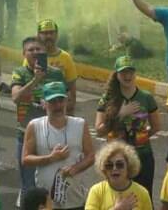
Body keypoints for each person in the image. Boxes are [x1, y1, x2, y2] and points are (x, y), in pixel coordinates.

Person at [22, 81, 95, 210]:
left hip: (75, 200)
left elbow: (90, 156)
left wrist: (75, 168)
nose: (58, 105)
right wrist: (51, 158)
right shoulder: (34, 126)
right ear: (44, 103)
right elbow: (26, 159)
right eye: (52, 101)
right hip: (46, 203)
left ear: (67, 101)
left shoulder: (80, 124)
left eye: (61, 100)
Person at [11, 36, 66, 207]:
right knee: (29, 186)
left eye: (38, 49)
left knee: (53, 184)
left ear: (45, 52)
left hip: (51, 133)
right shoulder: (19, 72)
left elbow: (66, 101)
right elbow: (16, 98)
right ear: (24, 53)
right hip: (26, 134)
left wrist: (51, 105)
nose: (35, 52)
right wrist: (35, 80)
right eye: (31, 50)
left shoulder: (56, 73)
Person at [95, 56, 160, 197]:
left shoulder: (146, 97)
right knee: (116, 196)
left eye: (130, 71)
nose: (127, 76)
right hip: (115, 159)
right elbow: (99, 130)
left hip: (143, 155)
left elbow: (156, 126)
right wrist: (120, 115)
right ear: (117, 75)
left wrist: (141, 137)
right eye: (123, 72)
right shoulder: (107, 98)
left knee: (143, 195)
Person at [86, 141, 152, 210]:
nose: (114, 168)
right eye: (109, 165)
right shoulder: (96, 191)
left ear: (129, 166)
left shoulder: (142, 193)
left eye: (119, 165)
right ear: (104, 169)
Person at [32, 20, 78, 113]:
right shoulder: (32, 57)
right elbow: (27, 83)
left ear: (56, 35)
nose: (48, 36)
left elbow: (72, 88)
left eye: (51, 33)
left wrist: (69, 108)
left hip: (59, 107)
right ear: (38, 35)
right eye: (45, 33)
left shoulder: (66, 58)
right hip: (38, 107)